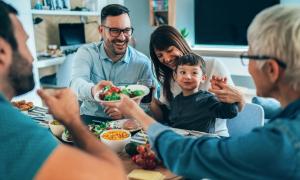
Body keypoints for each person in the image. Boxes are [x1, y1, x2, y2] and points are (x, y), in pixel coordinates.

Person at [103, 4, 300, 179]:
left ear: (272, 70)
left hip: (206, 141)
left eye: (248, 57)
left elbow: (193, 153)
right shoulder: (284, 128)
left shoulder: (279, 142)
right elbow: (170, 117)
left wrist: (134, 112)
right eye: (160, 55)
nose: (247, 67)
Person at [0, 2, 125, 179]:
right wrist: (71, 120)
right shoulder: (12, 128)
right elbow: (113, 176)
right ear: (2, 51)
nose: (31, 56)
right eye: (25, 44)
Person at [149, 25, 245, 136]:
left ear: (180, 44)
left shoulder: (213, 65)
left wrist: (239, 98)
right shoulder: (169, 77)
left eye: (169, 50)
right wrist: (149, 97)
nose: (166, 58)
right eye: (160, 55)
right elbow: (166, 116)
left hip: (213, 136)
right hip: (182, 138)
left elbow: (235, 108)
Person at [70, 4, 155, 120]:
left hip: (126, 125)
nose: (121, 37)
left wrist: (127, 112)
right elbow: (75, 84)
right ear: (101, 30)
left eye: (126, 30)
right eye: (114, 31)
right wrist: (94, 90)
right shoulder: (87, 52)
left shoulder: (143, 63)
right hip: (91, 119)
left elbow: (147, 105)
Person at [169, 53, 238, 132]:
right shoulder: (176, 100)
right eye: (183, 72)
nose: (187, 77)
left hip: (203, 142)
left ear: (203, 78)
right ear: (175, 76)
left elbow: (230, 113)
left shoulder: (207, 99)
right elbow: (173, 123)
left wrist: (226, 98)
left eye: (194, 73)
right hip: (182, 142)